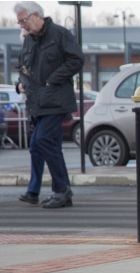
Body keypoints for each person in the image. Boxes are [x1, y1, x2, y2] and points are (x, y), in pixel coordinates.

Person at [14, 1, 84, 208]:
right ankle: (40, 192)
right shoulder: (28, 41)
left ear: (36, 16)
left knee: (42, 141)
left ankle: (62, 190)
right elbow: (23, 68)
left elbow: (76, 59)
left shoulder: (60, 34)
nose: (22, 26)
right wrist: (20, 85)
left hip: (56, 100)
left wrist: (52, 79)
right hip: (37, 103)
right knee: (41, 145)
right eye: (19, 22)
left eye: (23, 21)